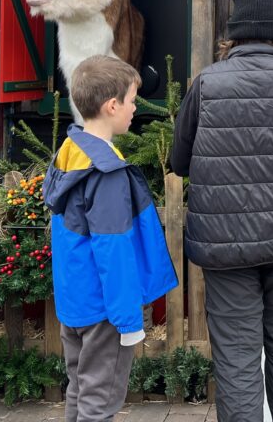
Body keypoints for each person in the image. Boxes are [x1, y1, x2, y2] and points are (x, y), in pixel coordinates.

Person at [171, 0, 273, 422]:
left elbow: (178, 160)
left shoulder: (206, 84)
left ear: (233, 30)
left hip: (225, 243)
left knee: (237, 356)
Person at [43, 55, 178, 422]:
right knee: (99, 403)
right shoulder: (107, 173)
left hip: (75, 301)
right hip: (105, 311)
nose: (135, 108)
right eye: (133, 100)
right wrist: (128, 319)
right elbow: (113, 249)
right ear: (112, 105)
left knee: (81, 389)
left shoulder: (71, 151)